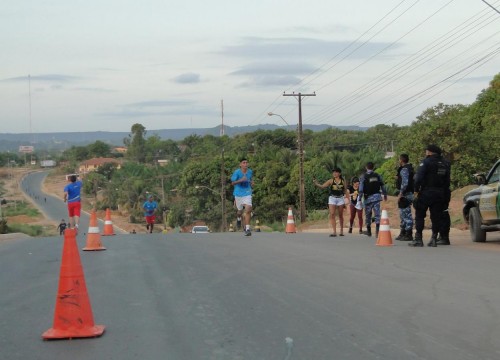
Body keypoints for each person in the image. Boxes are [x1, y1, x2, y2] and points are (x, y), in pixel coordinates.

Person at [409, 144, 451, 247]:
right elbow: (447, 181)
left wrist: (416, 190)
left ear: (429, 152)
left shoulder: (426, 162)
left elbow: (418, 178)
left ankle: (418, 239)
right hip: (440, 193)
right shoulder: (445, 163)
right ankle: (434, 239)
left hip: (426, 192)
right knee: (436, 217)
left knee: (420, 215)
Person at [313, 167, 348, 237]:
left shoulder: (343, 181)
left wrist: (347, 200)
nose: (334, 173)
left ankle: (341, 231)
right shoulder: (331, 181)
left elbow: (345, 190)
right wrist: (316, 184)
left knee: (340, 215)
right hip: (332, 198)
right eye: (333, 172)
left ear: (339, 173)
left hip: (340, 198)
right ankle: (334, 232)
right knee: (332, 214)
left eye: (336, 172)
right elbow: (323, 186)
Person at [358, 162, 388, 237]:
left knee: (368, 215)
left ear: (366, 167)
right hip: (377, 197)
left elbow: (361, 189)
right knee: (377, 214)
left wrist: (359, 198)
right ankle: (377, 232)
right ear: (373, 167)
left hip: (368, 198)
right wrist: (385, 194)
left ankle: (369, 231)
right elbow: (383, 185)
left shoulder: (363, 176)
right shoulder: (377, 175)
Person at [231, 157, 254, 236]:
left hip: (247, 192)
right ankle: (238, 218)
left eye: (246, 162)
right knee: (239, 211)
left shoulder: (250, 171)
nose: (245, 164)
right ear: (240, 164)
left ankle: (247, 229)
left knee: (248, 209)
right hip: (238, 194)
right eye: (243, 163)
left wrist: (251, 183)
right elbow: (233, 183)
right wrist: (241, 180)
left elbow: (251, 179)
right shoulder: (236, 172)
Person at [395, 154, 415, 241]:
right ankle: (403, 232)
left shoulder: (404, 169)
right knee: (403, 214)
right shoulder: (410, 168)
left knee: (406, 214)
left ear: (401, 160)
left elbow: (404, 183)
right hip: (409, 193)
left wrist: (401, 193)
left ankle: (408, 234)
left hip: (406, 194)